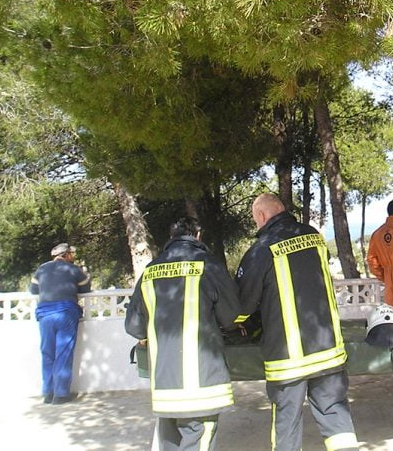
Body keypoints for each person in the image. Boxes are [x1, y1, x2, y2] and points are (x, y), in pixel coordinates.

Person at [235, 193, 358, 451]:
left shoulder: (261, 249)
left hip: (287, 358)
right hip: (328, 350)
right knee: (335, 414)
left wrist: (232, 324)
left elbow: (243, 305)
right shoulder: (314, 236)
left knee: (287, 422)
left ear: (261, 215)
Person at [125, 217, 241, 451]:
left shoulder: (150, 271)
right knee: (198, 440)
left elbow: (134, 326)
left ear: (171, 237)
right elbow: (231, 317)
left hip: (165, 386)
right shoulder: (208, 264)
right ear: (198, 235)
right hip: (202, 385)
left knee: (170, 442)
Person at [30, 243, 91, 405]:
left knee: (47, 352)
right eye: (72, 253)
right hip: (66, 312)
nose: (73, 256)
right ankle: (61, 394)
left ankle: (48, 393)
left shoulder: (41, 269)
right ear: (67, 255)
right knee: (63, 352)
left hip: (44, 314)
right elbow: (85, 289)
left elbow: (33, 290)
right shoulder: (74, 269)